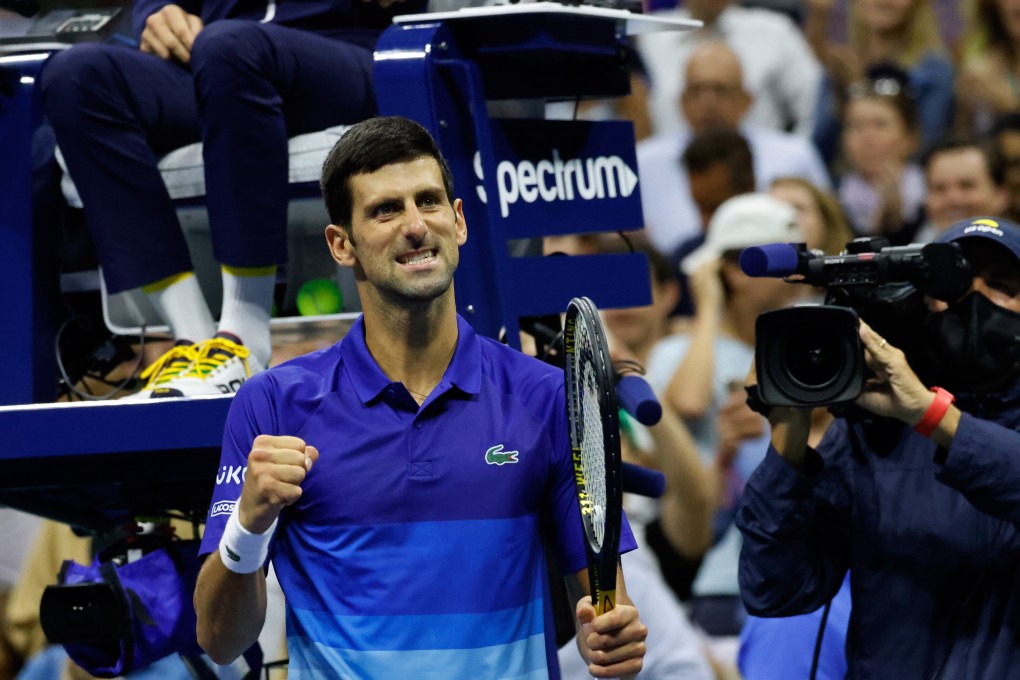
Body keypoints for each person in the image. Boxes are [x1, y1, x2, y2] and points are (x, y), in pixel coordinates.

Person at [192, 116, 648, 678]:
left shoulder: (546, 398)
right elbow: (219, 640)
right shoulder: (272, 405)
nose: (415, 226)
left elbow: (607, 611)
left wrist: (610, 640)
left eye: (428, 202)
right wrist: (248, 524)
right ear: (341, 244)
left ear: (458, 221)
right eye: (385, 210)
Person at [38, 0, 427, 399]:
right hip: (215, 69)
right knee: (76, 75)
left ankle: (245, 339)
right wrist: (159, 13)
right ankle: (194, 342)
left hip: (341, 55)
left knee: (229, 47)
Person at [737, 214, 1020, 676]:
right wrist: (789, 433)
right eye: (955, 283)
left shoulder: (911, 414)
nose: (976, 301)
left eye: (1003, 286)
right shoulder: (874, 427)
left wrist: (930, 415)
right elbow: (776, 590)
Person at [638, 41, 830, 257]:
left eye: (720, 90)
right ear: (681, 101)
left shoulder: (793, 155)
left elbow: (829, 225)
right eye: (696, 90)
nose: (707, 103)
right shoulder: (643, 161)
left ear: (748, 100)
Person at [636, 0, 822, 138]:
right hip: (670, 169)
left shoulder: (776, 32)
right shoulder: (648, 36)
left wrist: (787, 160)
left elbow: (815, 104)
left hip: (758, 171)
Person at [806, 0, 955, 165]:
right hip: (845, 177)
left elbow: (927, 147)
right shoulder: (843, 64)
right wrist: (840, 91)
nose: (883, 1)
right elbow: (819, 148)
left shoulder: (933, 70)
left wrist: (859, 87)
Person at [837, 69, 925, 244]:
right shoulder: (834, 203)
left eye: (880, 125)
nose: (867, 137)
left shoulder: (932, 196)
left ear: (910, 137)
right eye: (856, 126)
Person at [915, 137, 1008, 242]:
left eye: (966, 186)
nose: (953, 199)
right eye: (939, 188)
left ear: (1001, 194)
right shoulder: (906, 247)